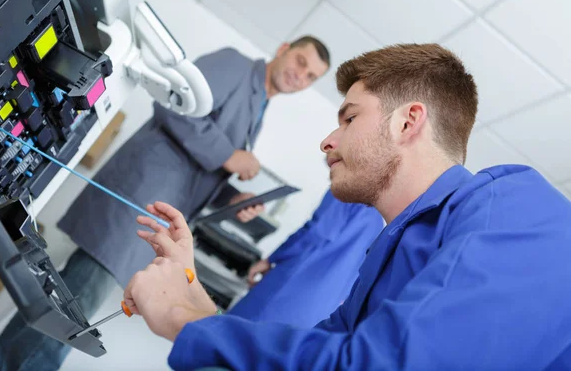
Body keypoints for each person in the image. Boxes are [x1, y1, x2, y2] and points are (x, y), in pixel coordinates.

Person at [123, 43, 571, 370]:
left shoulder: (514, 206)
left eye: (350, 118)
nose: (327, 140)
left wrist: (180, 318)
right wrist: (190, 293)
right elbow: (311, 354)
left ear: (407, 121)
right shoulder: (392, 253)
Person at [0, 36, 330, 371]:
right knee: (80, 304)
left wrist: (234, 199)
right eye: (300, 62)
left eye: (311, 76)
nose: (300, 76)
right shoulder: (236, 66)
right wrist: (230, 155)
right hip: (141, 197)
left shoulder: (259, 109)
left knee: (70, 297)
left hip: (158, 210)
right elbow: (175, 106)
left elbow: (205, 168)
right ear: (283, 48)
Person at [229, 189, 384, 328]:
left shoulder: (347, 191)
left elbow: (316, 234)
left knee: (228, 338)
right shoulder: (377, 220)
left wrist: (271, 259)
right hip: (317, 312)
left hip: (286, 298)